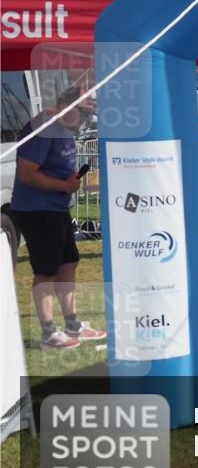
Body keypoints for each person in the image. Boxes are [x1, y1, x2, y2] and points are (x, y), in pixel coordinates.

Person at [10, 88, 106, 349]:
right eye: (82, 112)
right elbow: (27, 173)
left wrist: (73, 183)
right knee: (46, 271)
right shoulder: (46, 126)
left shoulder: (63, 128)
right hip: (37, 210)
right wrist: (63, 186)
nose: (84, 120)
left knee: (68, 264)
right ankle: (49, 334)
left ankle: (72, 325)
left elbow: (58, 170)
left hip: (56, 208)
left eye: (88, 115)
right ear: (65, 103)